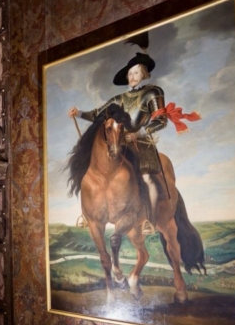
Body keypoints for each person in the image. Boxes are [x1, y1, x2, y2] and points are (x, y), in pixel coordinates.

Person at [68, 51, 200, 235]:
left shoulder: (152, 93)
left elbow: (160, 121)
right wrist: (80, 113)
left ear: (144, 74)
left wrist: (139, 133)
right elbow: (98, 115)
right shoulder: (118, 99)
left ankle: (149, 221)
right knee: (90, 167)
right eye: (129, 73)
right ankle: (87, 214)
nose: (132, 76)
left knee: (147, 178)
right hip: (119, 142)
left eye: (136, 72)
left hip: (142, 143)